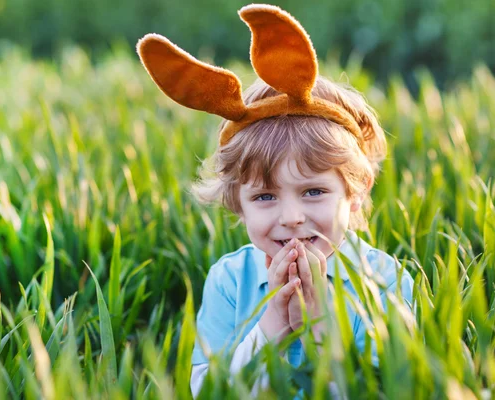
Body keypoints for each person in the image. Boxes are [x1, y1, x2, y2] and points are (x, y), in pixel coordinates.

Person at [136, 4, 414, 398]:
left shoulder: (385, 281)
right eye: (265, 196)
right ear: (238, 203)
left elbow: (395, 390)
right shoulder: (231, 280)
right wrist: (271, 325)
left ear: (356, 191)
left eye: (314, 191)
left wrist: (321, 329)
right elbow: (207, 392)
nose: (292, 218)